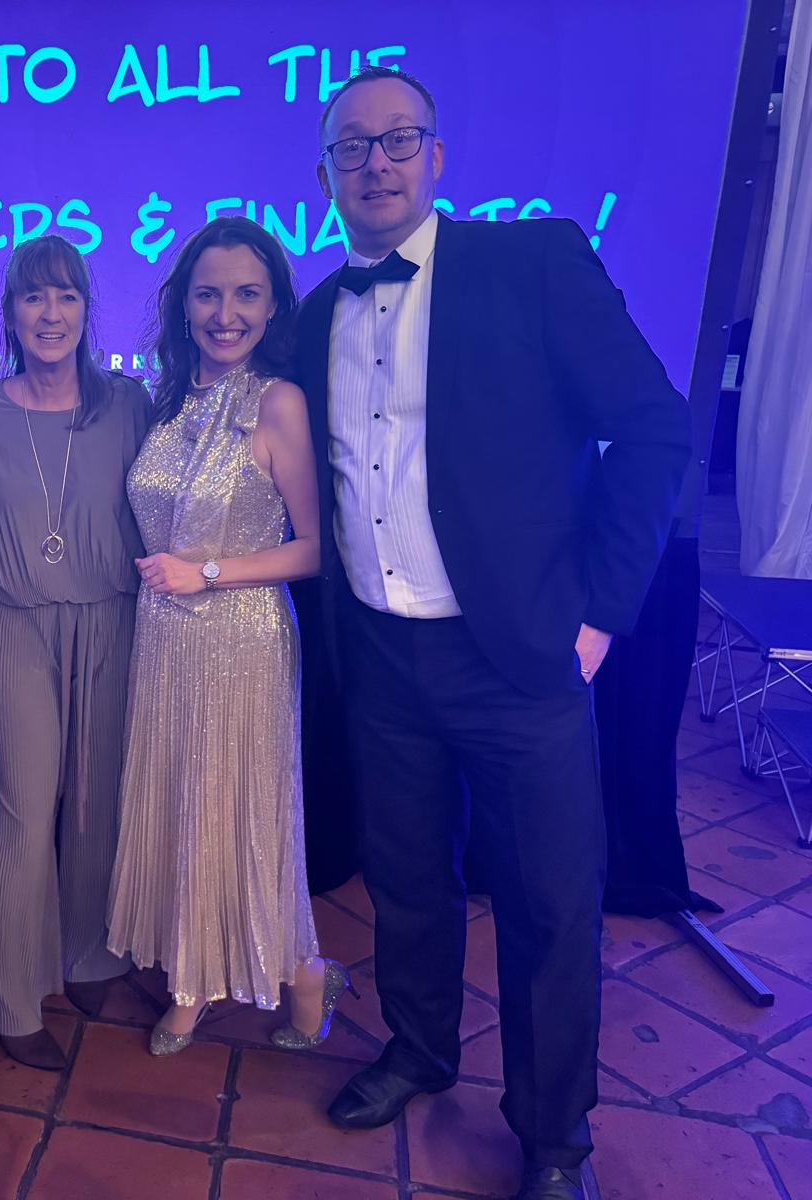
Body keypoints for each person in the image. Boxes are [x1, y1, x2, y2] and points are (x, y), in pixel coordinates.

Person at [295, 67, 690, 1200]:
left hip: (516, 657)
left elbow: (656, 432)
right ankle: (417, 1051)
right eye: (350, 149)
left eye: (395, 140)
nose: (373, 164)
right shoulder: (319, 312)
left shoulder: (530, 264)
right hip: (377, 653)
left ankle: (554, 1137)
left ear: (436, 156)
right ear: (324, 175)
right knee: (409, 882)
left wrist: (602, 614)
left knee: (551, 903)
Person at [107, 217, 346, 1057]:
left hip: (241, 638)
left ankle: (304, 969)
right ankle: (195, 974)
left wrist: (205, 573)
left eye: (247, 293)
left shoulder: (277, 401)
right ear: (184, 303)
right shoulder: (172, 398)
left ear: (273, 303)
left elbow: (316, 550)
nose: (225, 312)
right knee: (182, 805)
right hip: (165, 640)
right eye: (208, 293)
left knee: (244, 811)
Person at [0, 236, 151, 1069]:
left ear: (85, 311)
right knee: (27, 804)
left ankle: (89, 955)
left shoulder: (129, 403)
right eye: (34, 298)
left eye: (66, 297)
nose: (50, 313)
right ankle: (9, 997)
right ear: (9, 313)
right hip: (17, 621)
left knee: (99, 798)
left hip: (112, 617)